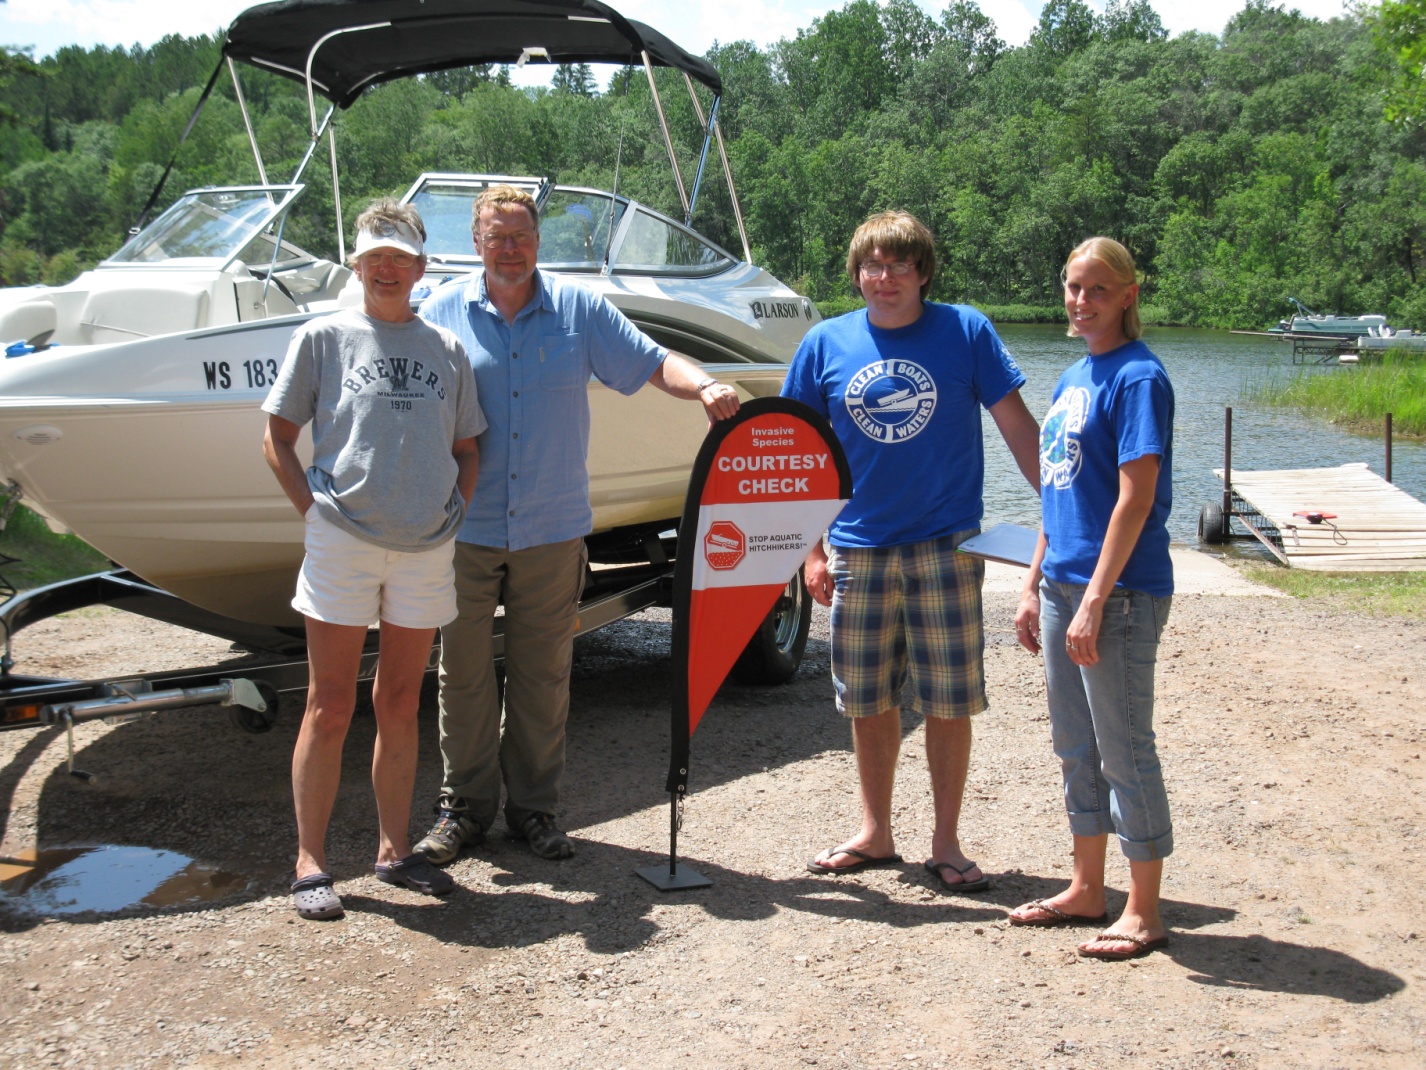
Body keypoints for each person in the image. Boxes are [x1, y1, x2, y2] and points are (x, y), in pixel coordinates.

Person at [415, 184, 740, 863]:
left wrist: (705, 383)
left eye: (521, 235)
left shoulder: (577, 311)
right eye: (496, 236)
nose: (509, 247)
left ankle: (534, 811)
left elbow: (654, 363)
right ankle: (463, 812)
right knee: (463, 675)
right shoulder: (438, 313)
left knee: (544, 674)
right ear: (476, 244)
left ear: (538, 242)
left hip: (552, 528)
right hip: (463, 530)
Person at [781, 210, 1040, 890]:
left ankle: (947, 840)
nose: (884, 276)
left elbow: (1018, 429)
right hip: (856, 548)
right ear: (857, 273)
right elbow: (801, 455)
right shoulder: (823, 343)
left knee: (951, 697)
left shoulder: (966, 331)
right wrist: (810, 550)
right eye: (872, 264)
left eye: (899, 264)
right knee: (866, 699)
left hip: (947, 544)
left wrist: (1066, 510)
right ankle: (874, 832)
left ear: (922, 271)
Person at [262, 199, 485, 920]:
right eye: (374, 256)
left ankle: (394, 852)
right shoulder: (323, 337)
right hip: (342, 545)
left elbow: (467, 449)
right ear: (357, 265)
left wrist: (456, 512)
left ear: (421, 268)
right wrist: (313, 513)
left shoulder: (447, 351)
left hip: (424, 550)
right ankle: (310, 862)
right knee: (329, 704)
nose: (387, 268)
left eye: (400, 256)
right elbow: (278, 434)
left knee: (398, 701)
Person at [1008, 237, 1176, 961]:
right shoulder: (1073, 375)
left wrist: (1094, 600)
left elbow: (1134, 500)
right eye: (1073, 287)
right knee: (1074, 744)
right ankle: (1086, 887)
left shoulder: (1139, 378)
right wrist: (1032, 581)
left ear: (1128, 295)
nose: (1081, 301)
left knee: (1124, 750)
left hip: (1120, 594)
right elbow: (1056, 491)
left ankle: (1144, 910)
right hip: (1062, 584)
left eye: (1097, 289)